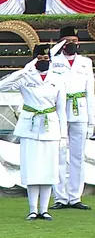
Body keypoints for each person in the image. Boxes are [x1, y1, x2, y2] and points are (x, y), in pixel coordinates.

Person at [0, 44, 67, 221]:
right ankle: (33, 209)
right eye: (40, 59)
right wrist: (25, 69)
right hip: (30, 127)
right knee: (33, 169)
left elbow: (61, 109)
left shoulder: (57, 79)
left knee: (48, 170)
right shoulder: (26, 76)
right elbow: (3, 85)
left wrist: (63, 135)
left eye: (46, 59)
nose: (43, 62)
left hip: (50, 127)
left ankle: (44, 209)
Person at [51, 27, 94, 211]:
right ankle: (60, 196)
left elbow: (90, 93)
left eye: (75, 42)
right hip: (60, 111)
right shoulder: (54, 61)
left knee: (78, 156)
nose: (72, 45)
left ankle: (75, 196)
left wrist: (92, 121)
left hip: (80, 110)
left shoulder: (85, 62)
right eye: (68, 42)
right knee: (59, 155)